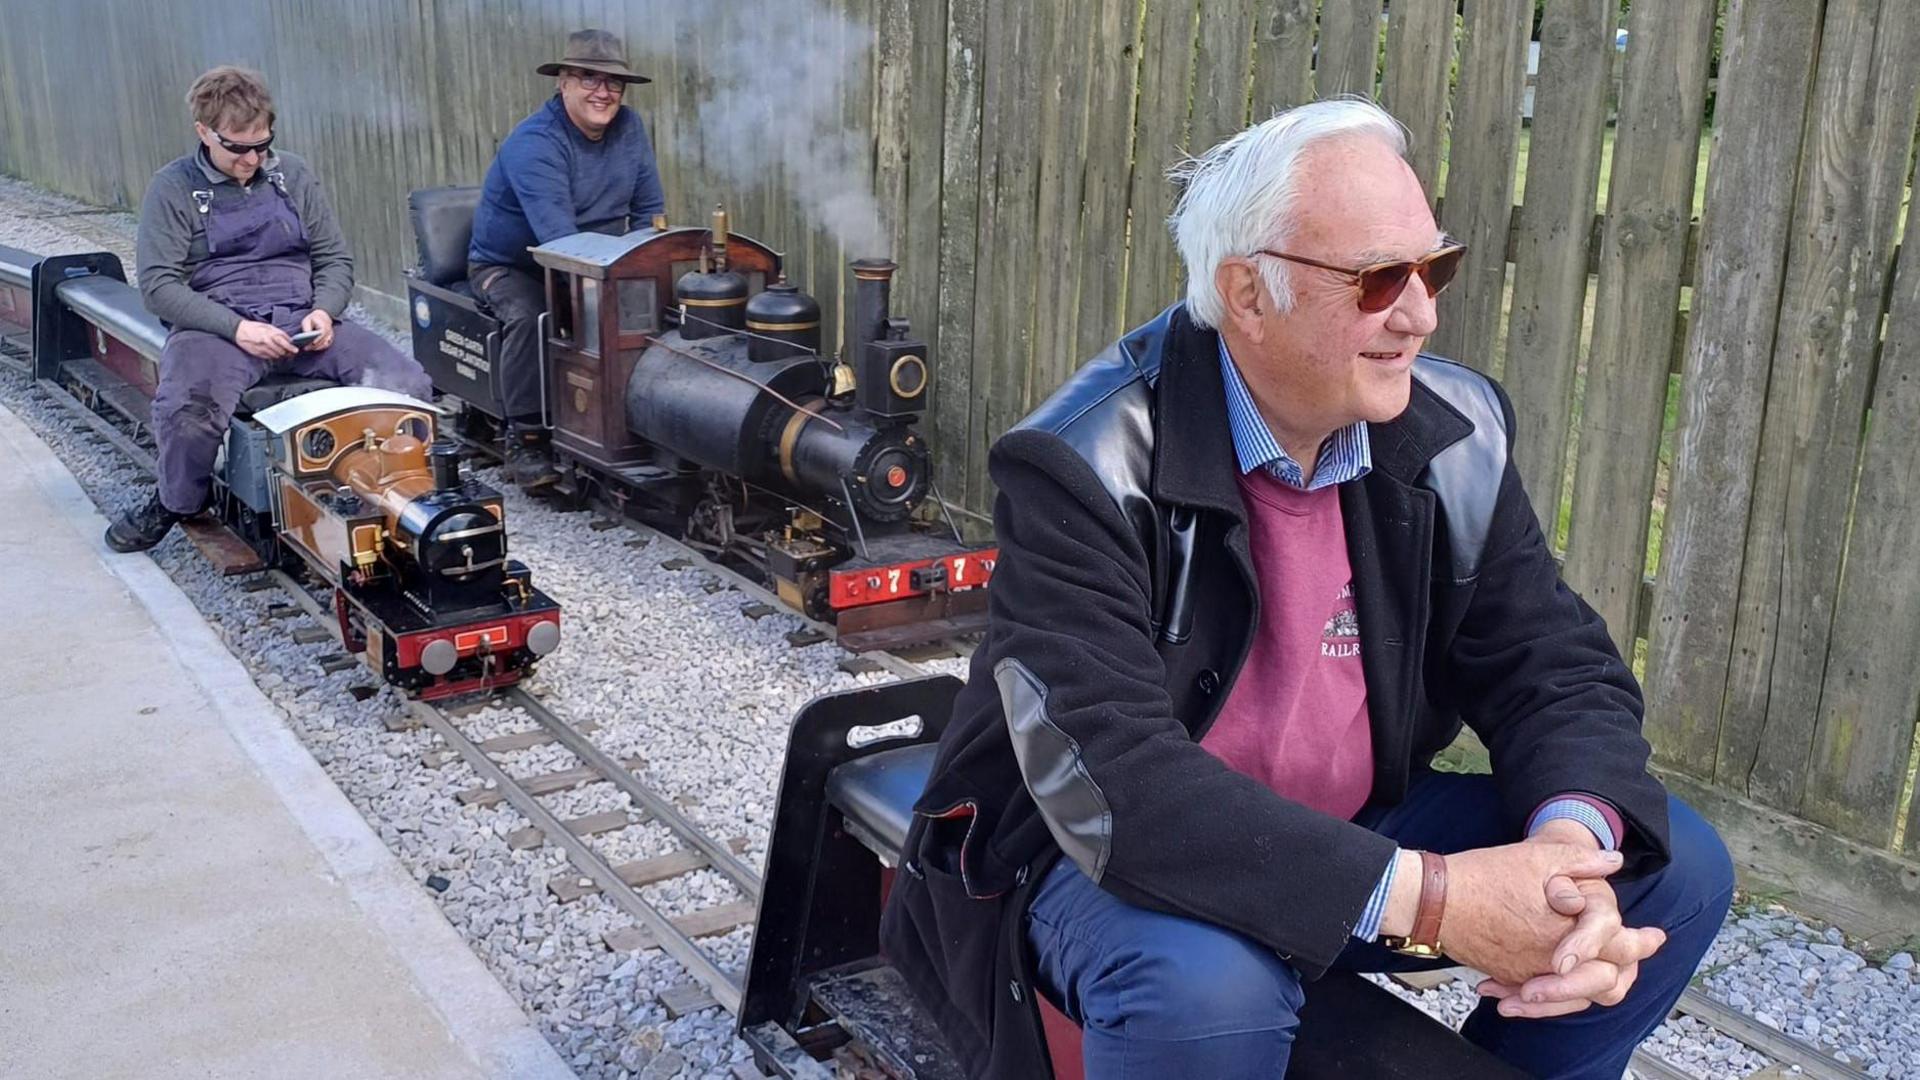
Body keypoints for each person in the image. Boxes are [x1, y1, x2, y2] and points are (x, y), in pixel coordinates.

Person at [878, 99, 1734, 1080]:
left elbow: (1554, 666)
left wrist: (1564, 858)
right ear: (1248, 292)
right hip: (1097, 860)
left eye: (1434, 266)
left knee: (1674, 869)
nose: (1422, 313)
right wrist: (1441, 901)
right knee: (1207, 993)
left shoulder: (1450, 436)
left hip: (1346, 829)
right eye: (1379, 279)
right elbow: (1116, 785)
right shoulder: (1081, 463)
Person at [108, 66, 433, 554]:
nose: (252, 158)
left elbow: (334, 259)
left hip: (301, 318)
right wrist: (237, 329)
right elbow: (158, 288)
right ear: (204, 132)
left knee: (404, 384)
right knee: (187, 413)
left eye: (262, 144)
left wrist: (324, 310)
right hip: (216, 327)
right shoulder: (172, 189)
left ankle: (404, 503)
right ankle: (175, 500)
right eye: (238, 148)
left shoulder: (293, 175)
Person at [467, 28, 666, 489]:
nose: (603, 92)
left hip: (603, 261)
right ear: (563, 83)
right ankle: (525, 436)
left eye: (612, 82)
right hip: (514, 265)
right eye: (588, 79)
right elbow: (558, 241)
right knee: (533, 315)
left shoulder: (630, 128)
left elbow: (650, 212)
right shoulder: (534, 143)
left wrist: (648, 278)